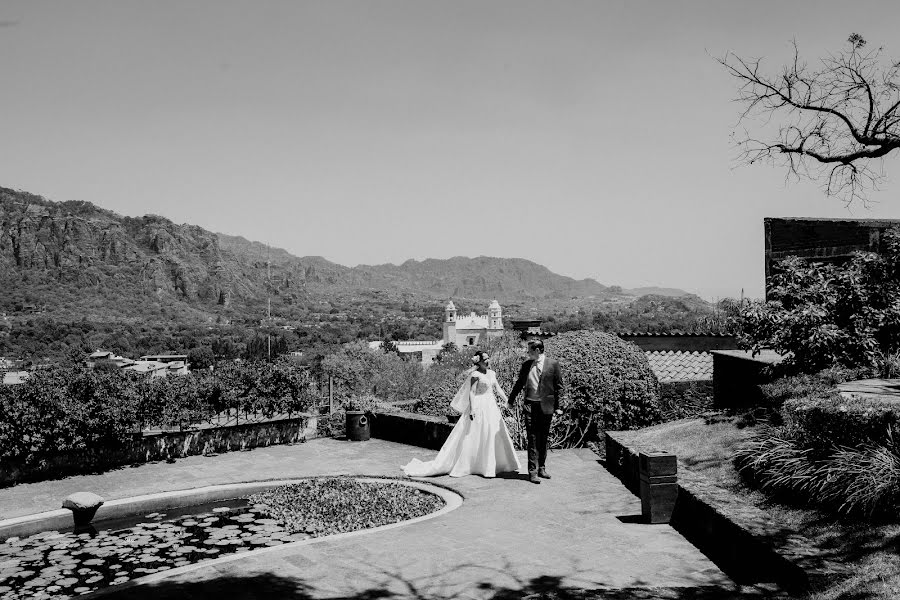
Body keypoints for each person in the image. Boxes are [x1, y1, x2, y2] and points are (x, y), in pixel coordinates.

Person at [401, 350, 521, 478]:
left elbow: (498, 388)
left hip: (491, 406)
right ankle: (473, 464)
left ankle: (492, 464)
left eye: (488, 358)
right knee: (475, 434)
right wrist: (472, 409)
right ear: (478, 362)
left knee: (492, 432)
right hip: (479, 405)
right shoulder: (475, 374)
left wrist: (508, 401)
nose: (487, 361)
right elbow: (472, 392)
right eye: (484, 359)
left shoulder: (492, 373)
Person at [508, 339, 563, 484]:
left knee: (543, 438)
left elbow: (559, 387)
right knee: (532, 437)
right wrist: (511, 400)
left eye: (530, 350)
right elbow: (519, 383)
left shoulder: (553, 364)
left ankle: (542, 468)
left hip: (546, 406)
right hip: (530, 406)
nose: (528, 353)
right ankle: (532, 472)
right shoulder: (526, 365)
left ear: (537, 350)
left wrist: (558, 406)